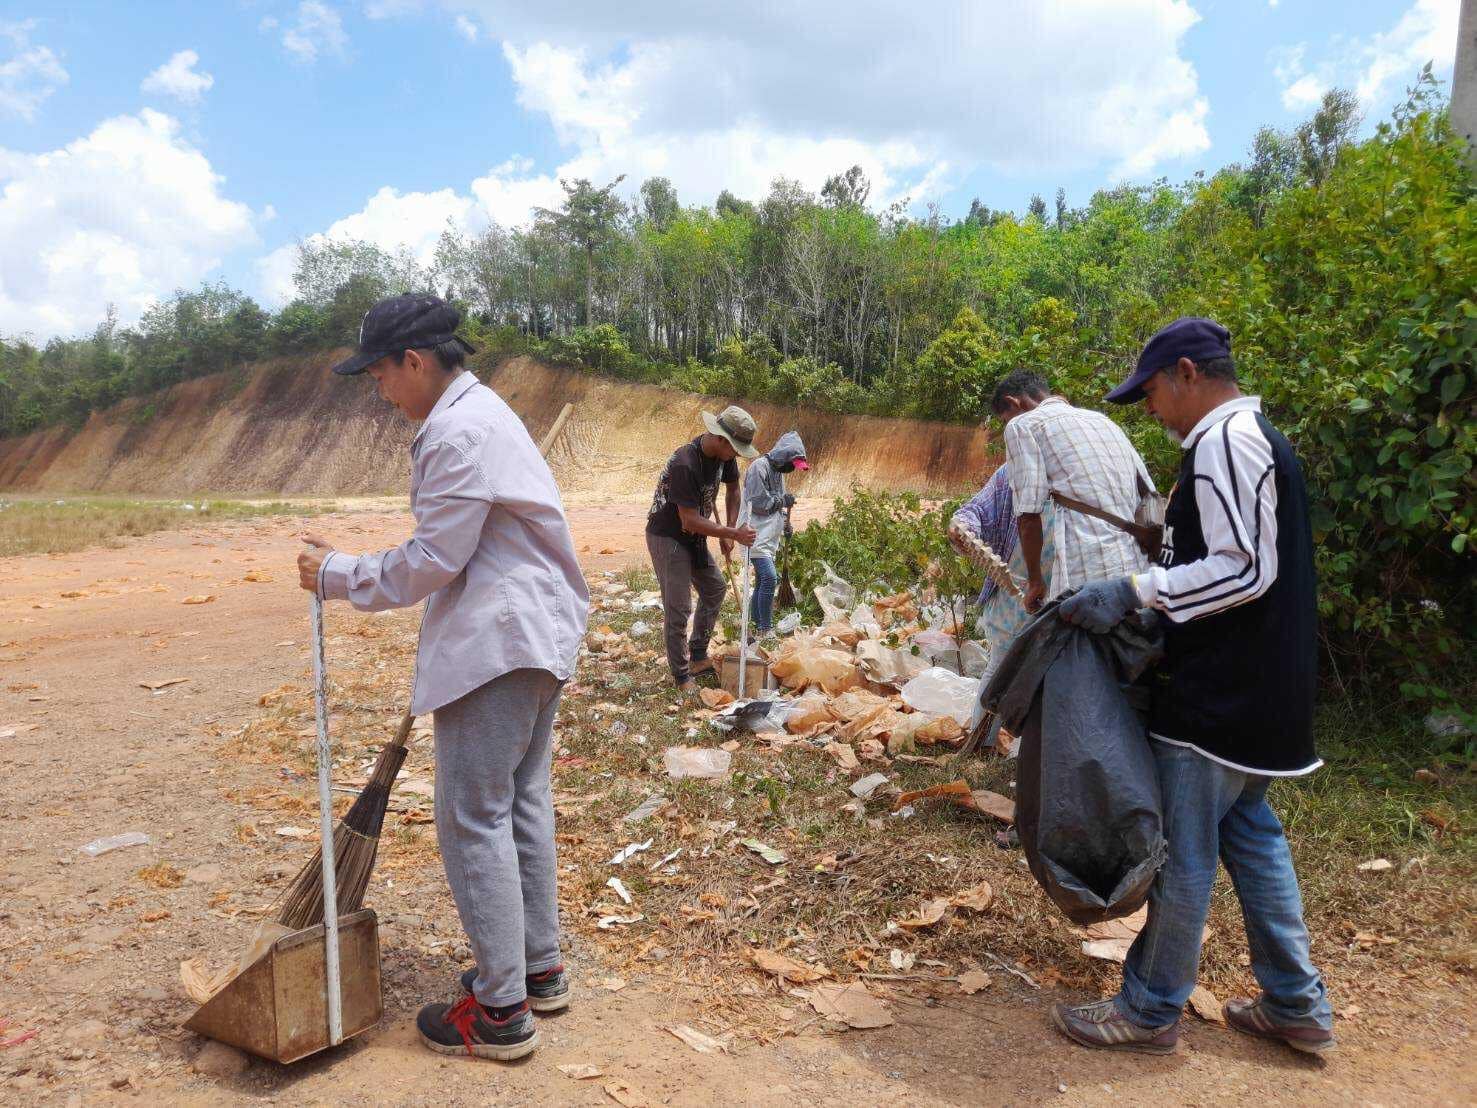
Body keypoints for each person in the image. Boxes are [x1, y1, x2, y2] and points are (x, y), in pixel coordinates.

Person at [295, 294, 589, 1063]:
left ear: (414, 362)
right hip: (534, 635)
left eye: (379, 375)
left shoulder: (455, 431)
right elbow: (454, 545)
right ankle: (537, 966)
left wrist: (336, 574)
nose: (379, 390)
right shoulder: (486, 412)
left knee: (473, 817)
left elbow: (432, 561)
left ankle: (499, 1013)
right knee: (519, 802)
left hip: (500, 642)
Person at [1049, 317, 1334, 1056]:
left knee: (1184, 855)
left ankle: (1147, 1010)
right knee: (1252, 839)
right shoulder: (1245, 441)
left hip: (1218, 696)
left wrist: (1136, 590)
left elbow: (1245, 568)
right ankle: (1294, 1004)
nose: (1148, 409)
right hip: (1256, 691)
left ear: (1185, 373)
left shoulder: (1224, 442)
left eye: (1148, 393)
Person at [991, 371, 1157, 611]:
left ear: (1014, 402)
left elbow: (1028, 514)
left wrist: (1035, 582)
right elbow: (1149, 493)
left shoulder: (1022, 425)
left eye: (1005, 419)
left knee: (1077, 644)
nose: (1007, 425)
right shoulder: (1102, 421)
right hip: (1137, 569)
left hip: (1087, 568)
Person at [646, 406, 759, 693]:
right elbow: (689, 519)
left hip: (694, 535)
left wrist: (729, 531)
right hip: (669, 536)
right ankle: (682, 675)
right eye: (735, 449)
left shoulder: (724, 457)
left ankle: (697, 654)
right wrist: (732, 532)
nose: (736, 455)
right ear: (721, 440)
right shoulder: (686, 463)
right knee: (679, 606)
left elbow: (734, 490)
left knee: (715, 588)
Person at [947, 463, 1055, 689]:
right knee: (998, 675)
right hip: (1012, 602)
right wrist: (963, 528)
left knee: (1050, 683)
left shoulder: (1081, 477)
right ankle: (983, 726)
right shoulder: (1014, 471)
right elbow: (976, 510)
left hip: (1062, 601)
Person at [742, 430, 808, 636]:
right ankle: (765, 628)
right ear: (784, 457)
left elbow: (776, 505)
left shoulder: (778, 472)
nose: (792, 469)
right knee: (770, 579)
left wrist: (785, 524)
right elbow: (759, 503)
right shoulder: (758, 468)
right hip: (753, 535)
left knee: (763, 580)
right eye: (792, 465)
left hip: (768, 538)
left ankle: (756, 623)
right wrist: (783, 501)